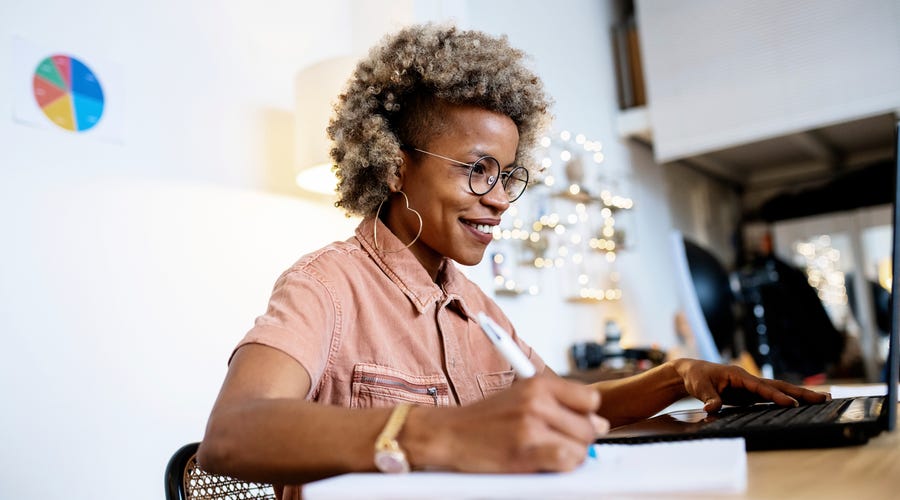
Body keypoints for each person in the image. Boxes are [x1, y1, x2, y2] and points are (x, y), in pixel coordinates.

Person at [198, 23, 829, 498]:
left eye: (507, 175)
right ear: (393, 167)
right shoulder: (326, 287)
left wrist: (676, 377)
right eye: (477, 171)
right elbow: (233, 434)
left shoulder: (474, 306)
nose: (499, 200)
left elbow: (557, 404)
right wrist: (436, 433)